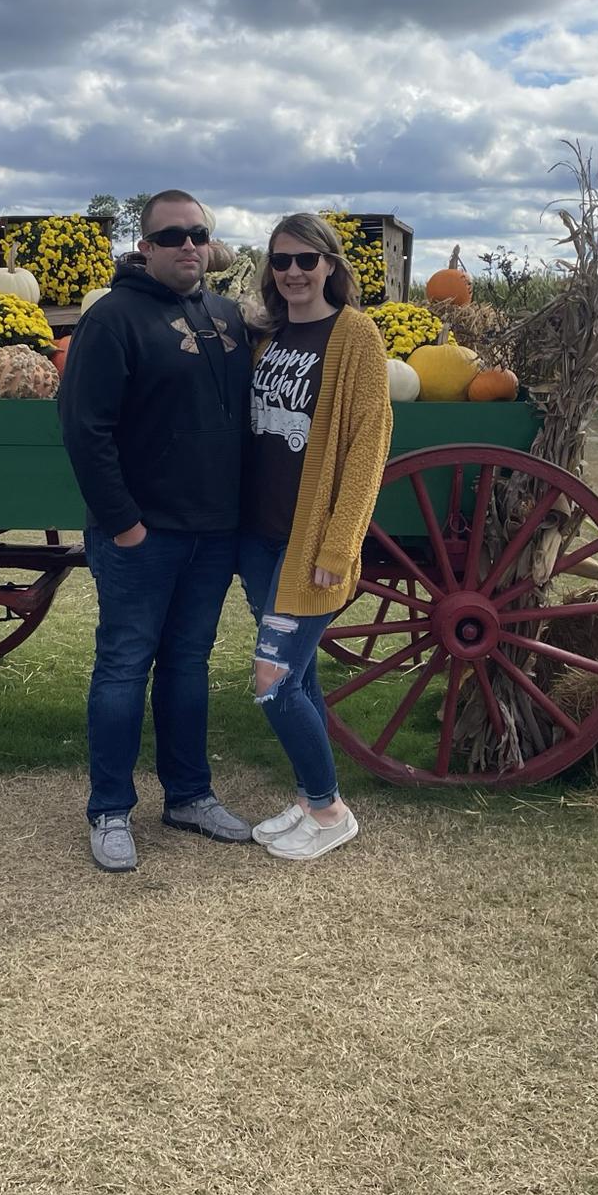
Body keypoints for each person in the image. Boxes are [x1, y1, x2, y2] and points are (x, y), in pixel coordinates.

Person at [58, 190, 257, 872]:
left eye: (198, 234)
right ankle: (110, 808)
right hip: (142, 535)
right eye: (172, 236)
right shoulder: (112, 319)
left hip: (212, 533)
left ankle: (188, 796)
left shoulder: (226, 315)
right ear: (144, 245)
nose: (187, 246)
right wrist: (124, 525)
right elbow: (85, 431)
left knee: (187, 666)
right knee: (123, 666)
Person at [237, 213, 392, 861]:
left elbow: (366, 447)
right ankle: (307, 797)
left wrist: (339, 546)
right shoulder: (268, 337)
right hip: (260, 539)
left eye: (306, 259)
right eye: (282, 261)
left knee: (271, 680)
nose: (294, 272)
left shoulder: (355, 336)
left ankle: (330, 811)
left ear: (331, 264)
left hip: (310, 544)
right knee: (298, 678)